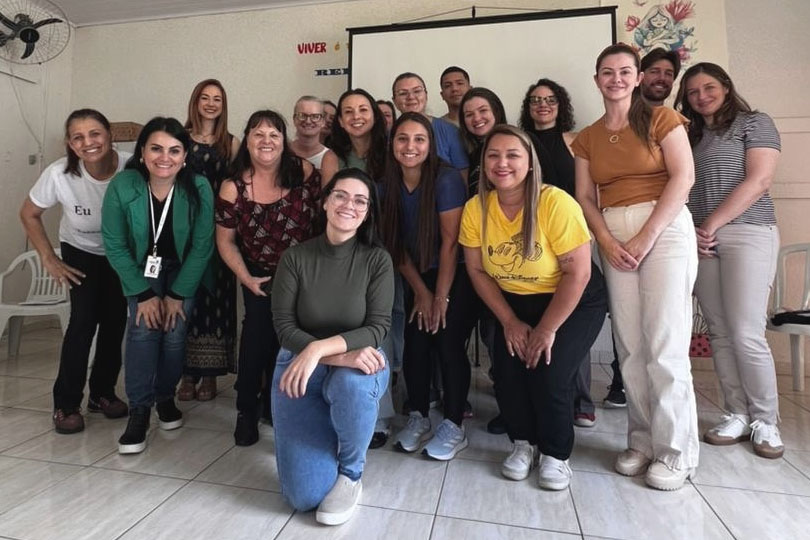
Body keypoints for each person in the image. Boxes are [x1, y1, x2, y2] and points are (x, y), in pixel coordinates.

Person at [572, 43, 699, 491]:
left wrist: (645, 236)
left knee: (665, 344)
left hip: (662, 230)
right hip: (613, 236)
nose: (616, 79)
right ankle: (642, 442)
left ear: (639, 77)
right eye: (607, 72)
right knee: (630, 345)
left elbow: (684, 177)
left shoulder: (662, 119)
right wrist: (605, 240)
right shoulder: (586, 137)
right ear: (597, 80)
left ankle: (676, 451)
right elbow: (586, 198)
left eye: (625, 71)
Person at [459, 124, 606, 490]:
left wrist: (545, 330)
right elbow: (477, 271)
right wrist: (508, 321)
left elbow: (578, 273)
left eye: (513, 155)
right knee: (508, 373)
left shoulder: (555, 202)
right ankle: (522, 443)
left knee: (549, 372)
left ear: (530, 163)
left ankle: (556, 454)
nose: (502, 163)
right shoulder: (476, 208)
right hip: (513, 300)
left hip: (572, 298)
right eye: (493, 155)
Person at [271, 168, 394, 525]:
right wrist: (327, 353)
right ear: (325, 201)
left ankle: (351, 473)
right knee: (302, 497)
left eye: (360, 200)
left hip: (360, 361)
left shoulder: (377, 260)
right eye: (340, 195)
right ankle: (325, 437)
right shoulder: (295, 257)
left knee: (350, 383)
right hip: (300, 365)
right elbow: (283, 327)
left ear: (368, 212)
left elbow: (378, 327)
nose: (349, 205)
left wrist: (316, 350)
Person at [677, 62, 783, 458]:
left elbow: (759, 180)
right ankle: (736, 413)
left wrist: (711, 224)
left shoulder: (754, 122)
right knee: (719, 332)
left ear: (725, 86)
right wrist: (696, 232)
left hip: (748, 233)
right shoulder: (690, 136)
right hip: (702, 239)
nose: (701, 96)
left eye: (708, 87)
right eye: (692, 92)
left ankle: (766, 421)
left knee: (746, 332)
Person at [102, 117, 214, 454]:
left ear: (184, 156)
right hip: (141, 269)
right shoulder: (124, 185)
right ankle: (139, 410)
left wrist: (177, 294)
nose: (164, 157)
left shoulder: (199, 187)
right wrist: (144, 294)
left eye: (174, 150)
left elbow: (203, 244)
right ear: (142, 152)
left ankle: (165, 397)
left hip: (184, 270)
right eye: (156, 148)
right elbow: (115, 244)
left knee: (174, 332)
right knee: (142, 329)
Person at [20, 109, 130, 434]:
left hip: (119, 254)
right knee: (82, 323)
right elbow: (28, 214)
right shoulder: (59, 174)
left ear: (109, 135)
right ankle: (66, 404)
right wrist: (48, 259)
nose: (88, 142)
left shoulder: (130, 167)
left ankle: (102, 394)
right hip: (80, 252)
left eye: (95, 133)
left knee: (114, 322)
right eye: (78, 137)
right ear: (70, 143)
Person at [216, 110, 321, 446]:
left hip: (302, 275)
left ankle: (279, 408)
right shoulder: (233, 187)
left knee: (289, 342)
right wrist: (245, 277)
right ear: (246, 140)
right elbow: (225, 241)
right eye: (258, 134)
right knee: (256, 340)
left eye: (274, 134)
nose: (266, 141)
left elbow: (322, 221)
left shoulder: (303, 172)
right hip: (258, 276)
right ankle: (247, 410)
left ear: (283, 141)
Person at [381, 112, 478, 460]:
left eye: (419, 139)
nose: (410, 146)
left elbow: (451, 243)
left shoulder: (447, 179)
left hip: (455, 275)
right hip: (416, 277)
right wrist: (421, 292)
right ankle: (418, 417)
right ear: (392, 144)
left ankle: (454, 425)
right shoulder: (386, 181)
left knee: (448, 343)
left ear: (431, 144)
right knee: (415, 345)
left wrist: (440, 296)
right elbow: (395, 244)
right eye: (402, 139)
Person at [518, 78, 611, 428]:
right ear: (528, 107)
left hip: (574, 237)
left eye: (550, 100)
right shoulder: (520, 143)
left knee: (572, 320)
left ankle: (581, 400)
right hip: (532, 242)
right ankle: (539, 394)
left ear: (561, 105)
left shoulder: (576, 141)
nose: (543, 105)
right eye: (536, 100)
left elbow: (590, 192)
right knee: (545, 316)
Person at [179, 79, 240, 402]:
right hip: (184, 230)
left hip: (219, 230)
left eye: (218, 98)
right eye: (205, 97)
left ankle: (210, 376)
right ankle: (186, 373)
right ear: (195, 101)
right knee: (186, 299)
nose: (211, 104)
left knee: (216, 300)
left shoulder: (231, 142)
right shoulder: (179, 138)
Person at [392, 72, 469, 178]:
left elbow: (463, 176)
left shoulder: (450, 131)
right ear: (394, 101)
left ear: (426, 95)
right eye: (403, 93)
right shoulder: (389, 135)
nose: (411, 97)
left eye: (417, 91)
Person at [324, 89, 387, 186]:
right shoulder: (332, 157)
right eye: (348, 111)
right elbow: (328, 199)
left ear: (375, 116)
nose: (356, 116)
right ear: (340, 121)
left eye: (363, 110)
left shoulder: (391, 152)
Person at [289, 95, 339, 172]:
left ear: (323, 121)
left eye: (315, 116)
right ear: (294, 119)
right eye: (302, 115)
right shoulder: (282, 151)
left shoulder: (330, 157)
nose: (308, 121)